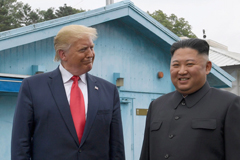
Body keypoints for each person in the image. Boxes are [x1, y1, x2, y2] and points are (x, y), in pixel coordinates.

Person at [11, 25, 125, 160]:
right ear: (63, 54)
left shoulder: (109, 90)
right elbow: (20, 143)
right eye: (83, 49)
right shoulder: (32, 86)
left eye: (92, 47)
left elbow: (117, 147)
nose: (90, 54)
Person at [140, 38, 240, 160]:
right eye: (176, 65)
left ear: (207, 67)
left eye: (189, 64)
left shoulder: (229, 104)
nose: (182, 71)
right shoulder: (156, 105)